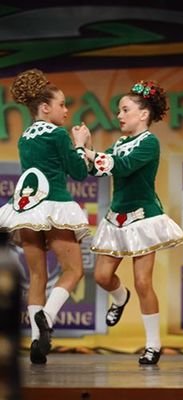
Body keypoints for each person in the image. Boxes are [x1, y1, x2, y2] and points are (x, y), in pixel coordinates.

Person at [75, 80, 183, 365]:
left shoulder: (149, 143)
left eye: (125, 109)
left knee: (142, 281)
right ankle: (119, 296)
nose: (120, 115)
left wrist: (86, 150)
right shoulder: (121, 143)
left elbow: (120, 166)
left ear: (144, 114)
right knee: (101, 277)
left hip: (142, 218)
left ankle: (153, 344)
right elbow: (100, 170)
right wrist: (86, 148)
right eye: (119, 111)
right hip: (116, 218)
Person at [0, 69, 90, 364]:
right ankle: (48, 318)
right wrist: (80, 144)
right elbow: (78, 172)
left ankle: (38, 344)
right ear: (45, 108)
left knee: (37, 275)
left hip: (26, 210)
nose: (66, 110)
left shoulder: (25, 137)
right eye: (62, 104)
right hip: (54, 206)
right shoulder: (58, 134)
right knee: (73, 270)